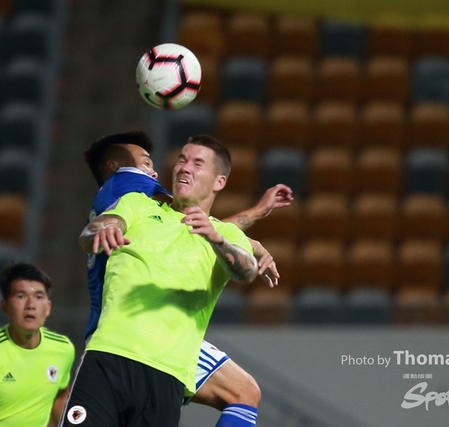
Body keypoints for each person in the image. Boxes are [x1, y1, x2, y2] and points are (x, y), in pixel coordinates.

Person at [80, 131, 292, 426]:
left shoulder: (141, 204)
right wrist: (251, 232)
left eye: (196, 163)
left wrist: (240, 234)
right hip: (127, 335)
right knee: (244, 392)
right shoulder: (129, 185)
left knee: (244, 391)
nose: (156, 171)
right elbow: (186, 215)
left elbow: (193, 226)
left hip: (144, 342)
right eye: (146, 162)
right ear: (115, 165)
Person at [0, 263, 75, 427]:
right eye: (21, 296)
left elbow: (60, 397)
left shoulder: (63, 348)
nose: (30, 305)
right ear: (5, 306)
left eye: (38, 297)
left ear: (48, 308)